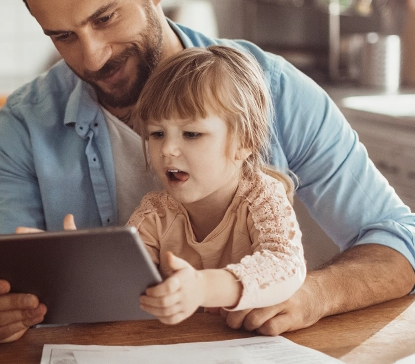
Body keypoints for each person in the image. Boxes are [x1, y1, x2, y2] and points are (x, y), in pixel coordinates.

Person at [0, 0, 415, 346]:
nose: (92, 57)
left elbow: (402, 243)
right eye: (63, 37)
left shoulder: (272, 90)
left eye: (105, 19)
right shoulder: (26, 124)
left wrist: (315, 295)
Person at [127, 46, 306, 325]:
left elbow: (285, 265)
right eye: (157, 133)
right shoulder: (154, 213)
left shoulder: (262, 197)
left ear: (244, 142)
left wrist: (203, 288)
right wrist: (91, 265)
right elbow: (127, 285)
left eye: (192, 134)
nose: (168, 149)